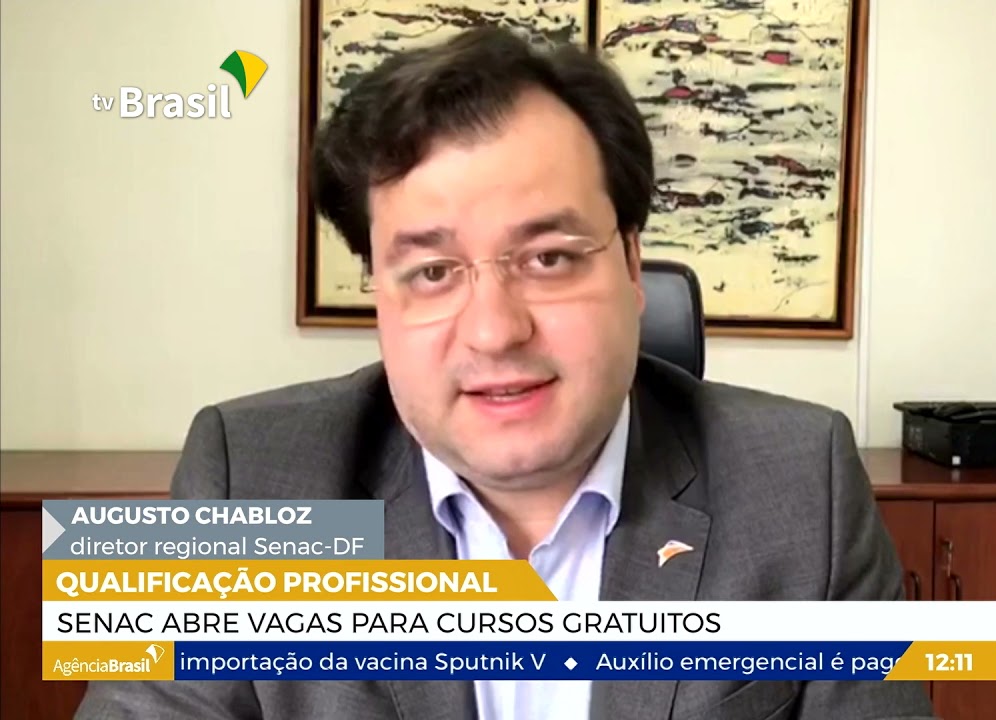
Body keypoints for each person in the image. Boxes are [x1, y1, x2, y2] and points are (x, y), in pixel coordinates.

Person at [76, 26, 935, 720]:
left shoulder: (802, 484)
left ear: (632, 264)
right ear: (380, 296)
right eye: (431, 271)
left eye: (550, 258)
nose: (494, 331)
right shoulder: (250, 477)